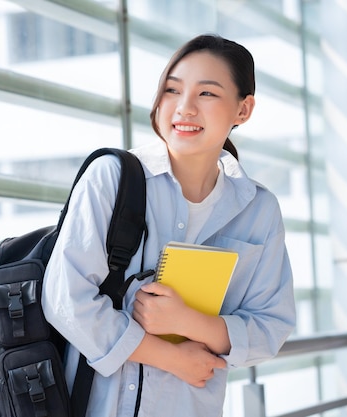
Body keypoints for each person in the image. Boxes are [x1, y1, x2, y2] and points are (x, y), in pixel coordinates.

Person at [42, 33, 296, 417]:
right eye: (172, 90)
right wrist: (171, 357)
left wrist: (190, 322)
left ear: (243, 110)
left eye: (207, 94)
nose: (185, 108)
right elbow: (66, 300)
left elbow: (270, 326)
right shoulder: (112, 177)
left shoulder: (258, 210)